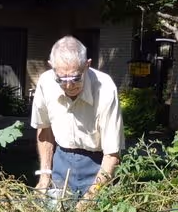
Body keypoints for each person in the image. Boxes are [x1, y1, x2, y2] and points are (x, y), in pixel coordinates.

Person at [31, 36, 125, 200]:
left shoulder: (105, 89)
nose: (69, 85)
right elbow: (44, 129)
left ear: (87, 65)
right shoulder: (45, 83)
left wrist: (90, 198)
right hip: (61, 159)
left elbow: (112, 154)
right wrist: (45, 175)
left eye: (75, 78)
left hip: (98, 163)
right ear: (51, 67)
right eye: (61, 79)